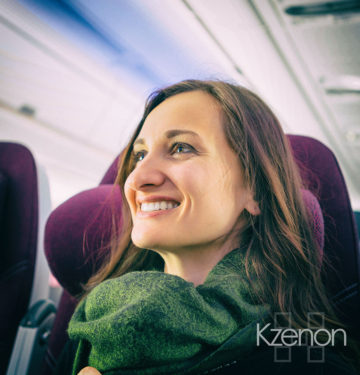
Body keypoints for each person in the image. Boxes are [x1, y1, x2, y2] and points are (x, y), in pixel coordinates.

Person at [56, 80, 358, 374]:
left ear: (254, 189)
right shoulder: (94, 326)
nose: (136, 178)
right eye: (139, 155)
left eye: (180, 148)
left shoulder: (304, 361)